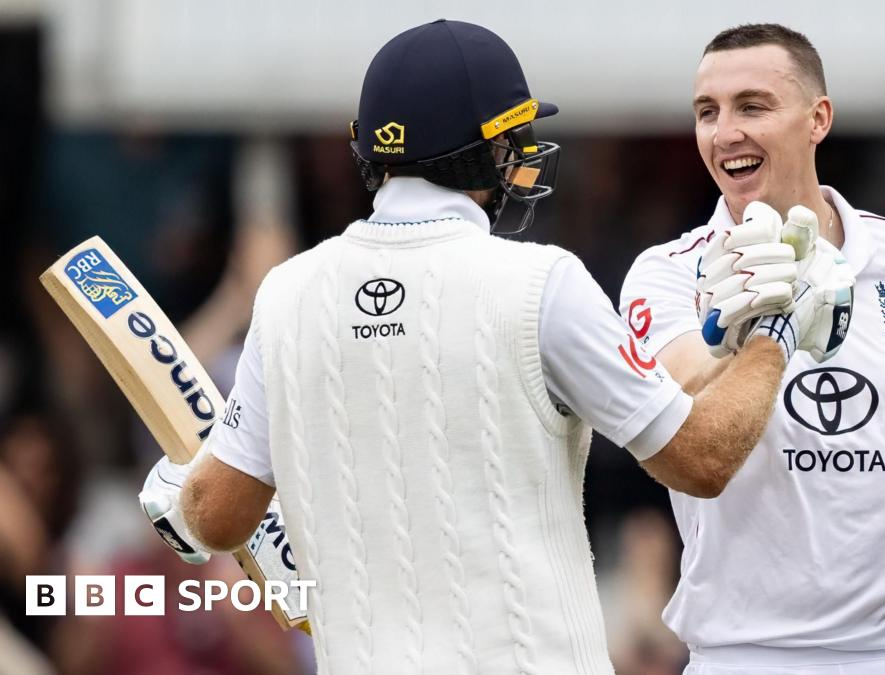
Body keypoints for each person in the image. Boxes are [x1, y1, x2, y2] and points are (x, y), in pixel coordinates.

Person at [137, 20, 801, 674]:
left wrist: (179, 496)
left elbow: (217, 518)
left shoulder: (287, 295)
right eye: (514, 138)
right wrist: (775, 328)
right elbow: (703, 459)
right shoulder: (541, 284)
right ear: (483, 149)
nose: (524, 155)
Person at [620, 23, 885, 673]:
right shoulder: (665, 269)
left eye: (752, 106)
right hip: (744, 652)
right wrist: (743, 332)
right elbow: (672, 407)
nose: (725, 131)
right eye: (708, 112)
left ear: (818, 118)